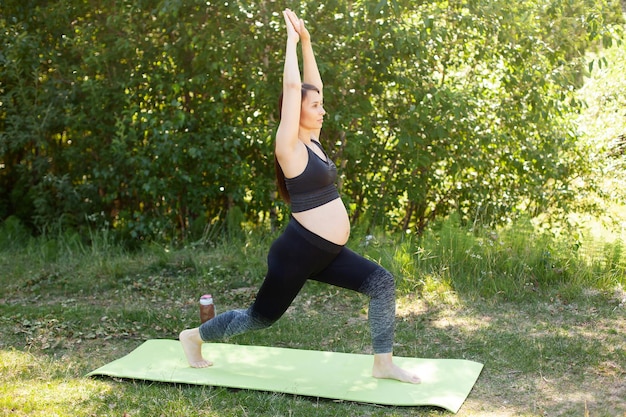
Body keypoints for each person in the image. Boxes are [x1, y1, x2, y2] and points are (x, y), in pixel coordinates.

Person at [179, 8, 420, 384]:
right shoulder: (289, 147)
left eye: (321, 105)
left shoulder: (314, 142)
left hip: (327, 253)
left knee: (382, 283)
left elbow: (311, 86)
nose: (322, 110)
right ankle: (193, 337)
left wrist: (308, 41)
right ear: (294, 113)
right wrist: (290, 42)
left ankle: (383, 363)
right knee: (259, 318)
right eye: (315, 107)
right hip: (297, 253)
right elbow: (295, 89)